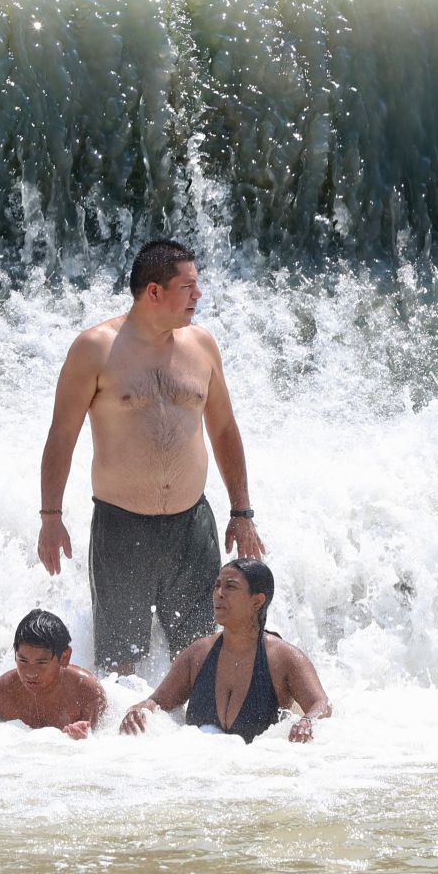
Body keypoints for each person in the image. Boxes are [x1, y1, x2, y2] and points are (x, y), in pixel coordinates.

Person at [38, 238, 265, 675]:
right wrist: (51, 516)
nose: (198, 295)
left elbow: (223, 429)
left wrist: (242, 511)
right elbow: (61, 434)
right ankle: (129, 744)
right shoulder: (96, 348)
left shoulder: (202, 346)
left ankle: (195, 743)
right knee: (120, 666)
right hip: (122, 528)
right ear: (154, 291)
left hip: (191, 526)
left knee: (202, 657)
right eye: (189, 286)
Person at [119, 560, 331, 743]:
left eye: (230, 587)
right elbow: (159, 701)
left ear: (257, 601)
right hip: (198, 778)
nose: (219, 594)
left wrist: (307, 721)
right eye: (217, 586)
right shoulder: (198, 653)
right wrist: (139, 709)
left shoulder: (282, 657)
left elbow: (321, 705)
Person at [0, 609, 108, 738]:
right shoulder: (1, 692)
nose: (30, 673)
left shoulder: (86, 692)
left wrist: (82, 739)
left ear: (64, 657)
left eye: (41, 663)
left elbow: (104, 743)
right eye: (23, 660)